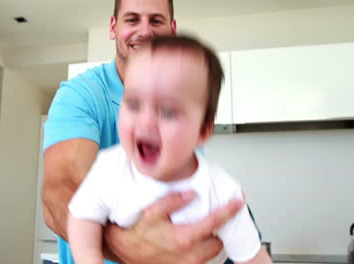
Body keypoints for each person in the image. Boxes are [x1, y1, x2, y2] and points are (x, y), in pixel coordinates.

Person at [42, 0, 252, 263]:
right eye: (132, 20)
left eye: (156, 20)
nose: (144, 31)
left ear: (172, 29)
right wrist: (129, 247)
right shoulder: (81, 95)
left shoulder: (186, 106)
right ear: (113, 27)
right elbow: (58, 195)